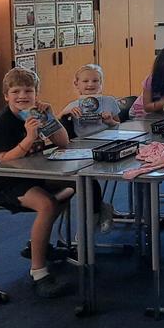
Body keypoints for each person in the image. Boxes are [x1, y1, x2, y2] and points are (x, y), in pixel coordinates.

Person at [0, 68, 73, 298]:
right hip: (5, 181)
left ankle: (38, 243)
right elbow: (4, 160)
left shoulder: (36, 114)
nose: (22, 96)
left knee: (72, 187)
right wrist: (29, 138)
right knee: (47, 204)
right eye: (16, 91)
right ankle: (39, 272)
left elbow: (64, 142)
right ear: (6, 96)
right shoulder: (2, 122)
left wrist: (51, 118)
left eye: (28, 91)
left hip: (33, 174)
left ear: (36, 94)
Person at [59, 63, 119, 231]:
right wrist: (65, 115)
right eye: (85, 81)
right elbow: (57, 124)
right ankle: (96, 213)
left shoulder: (109, 101)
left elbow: (119, 126)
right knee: (85, 178)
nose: (90, 84)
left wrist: (110, 122)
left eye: (95, 80)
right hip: (82, 149)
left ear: (101, 83)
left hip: (108, 144)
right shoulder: (73, 106)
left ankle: (97, 211)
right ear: (76, 84)